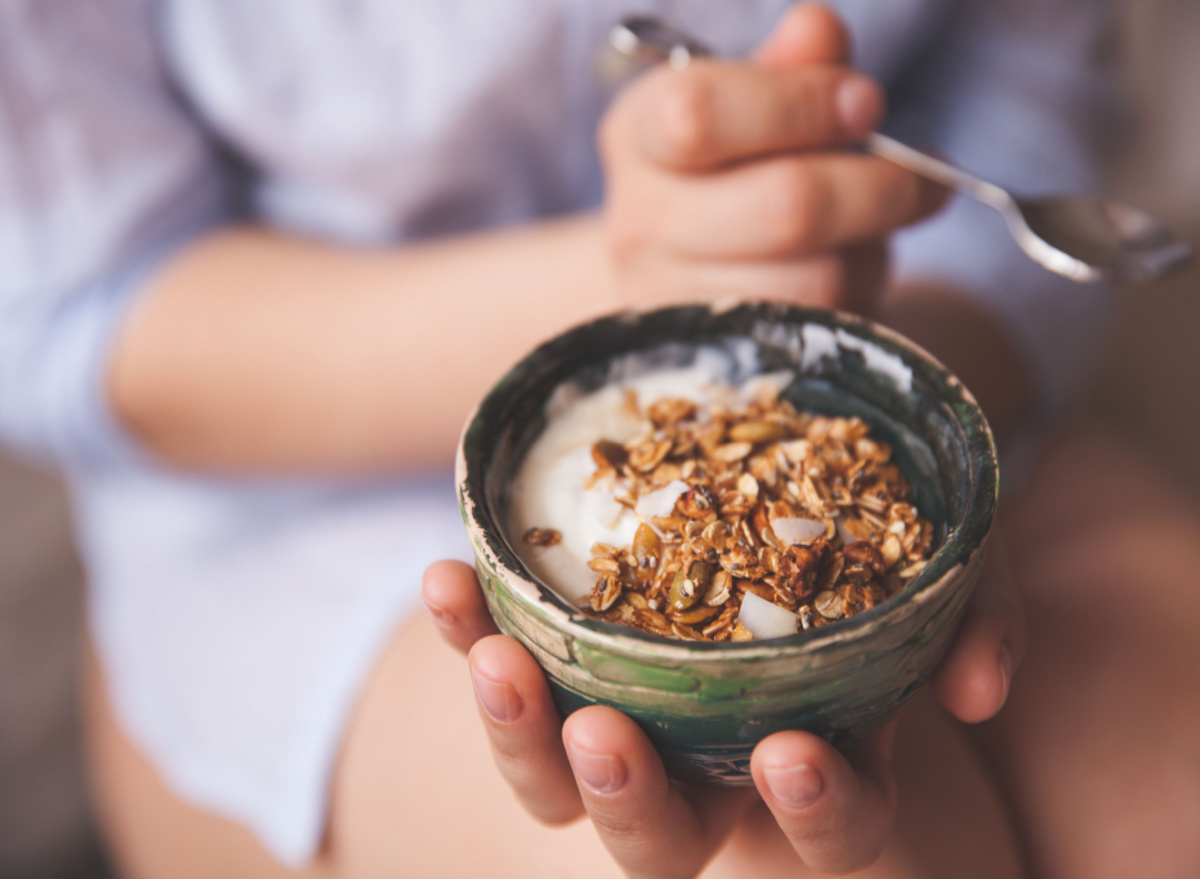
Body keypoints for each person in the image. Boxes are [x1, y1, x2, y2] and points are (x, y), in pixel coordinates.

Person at [2, 0, 1198, 877]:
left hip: (899, 341)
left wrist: (890, 418)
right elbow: (79, 306)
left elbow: (1035, 99)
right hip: (300, 484)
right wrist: (622, 280)